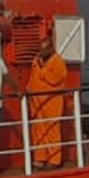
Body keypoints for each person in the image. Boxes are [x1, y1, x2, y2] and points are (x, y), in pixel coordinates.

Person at [26, 24, 70, 168]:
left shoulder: (58, 62)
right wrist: (28, 90)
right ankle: (40, 158)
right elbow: (33, 78)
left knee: (52, 130)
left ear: (50, 48)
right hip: (36, 102)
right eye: (40, 48)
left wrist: (43, 68)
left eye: (44, 48)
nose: (41, 51)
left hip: (51, 103)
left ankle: (54, 159)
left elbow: (55, 79)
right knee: (38, 130)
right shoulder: (36, 60)